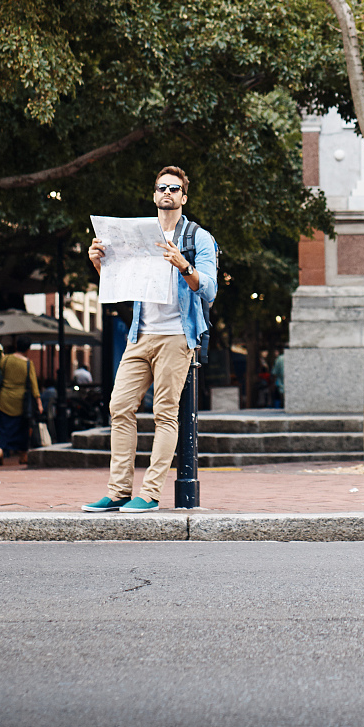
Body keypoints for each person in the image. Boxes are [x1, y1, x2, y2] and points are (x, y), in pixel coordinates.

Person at [82, 165, 217, 513]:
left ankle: (151, 493)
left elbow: (210, 289)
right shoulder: (138, 234)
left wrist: (183, 264)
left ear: (184, 196)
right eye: (161, 188)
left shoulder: (197, 237)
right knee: (119, 406)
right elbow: (122, 281)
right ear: (154, 194)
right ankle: (118, 491)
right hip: (140, 334)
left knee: (164, 413)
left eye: (174, 188)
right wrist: (99, 264)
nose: (167, 193)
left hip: (177, 335)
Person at [0, 340, 37, 467]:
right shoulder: (28, 364)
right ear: (27, 349)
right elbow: (33, 384)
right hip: (20, 402)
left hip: (3, 400)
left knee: (4, 429)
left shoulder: (5, 359)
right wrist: (39, 402)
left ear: (16, 346)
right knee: (22, 429)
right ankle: (23, 455)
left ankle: (0, 449)